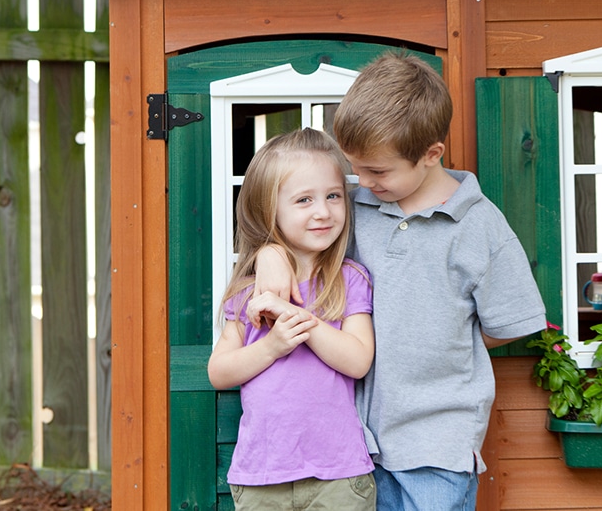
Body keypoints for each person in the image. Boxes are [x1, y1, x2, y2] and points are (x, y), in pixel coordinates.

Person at [250, 52, 547, 511]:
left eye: (378, 171)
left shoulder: (478, 225)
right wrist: (270, 256)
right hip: (354, 442)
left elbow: (511, 322)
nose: (362, 182)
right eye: (356, 168)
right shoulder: (355, 207)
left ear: (431, 155)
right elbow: (299, 245)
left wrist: (442, 339)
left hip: (436, 440)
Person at [208, 127, 376, 511]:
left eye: (333, 196)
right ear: (269, 211)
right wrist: (271, 346)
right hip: (262, 475)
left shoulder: (349, 279)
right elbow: (219, 372)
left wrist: (299, 319)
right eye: (304, 200)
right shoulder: (247, 293)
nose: (323, 211)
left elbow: (358, 361)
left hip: (338, 474)